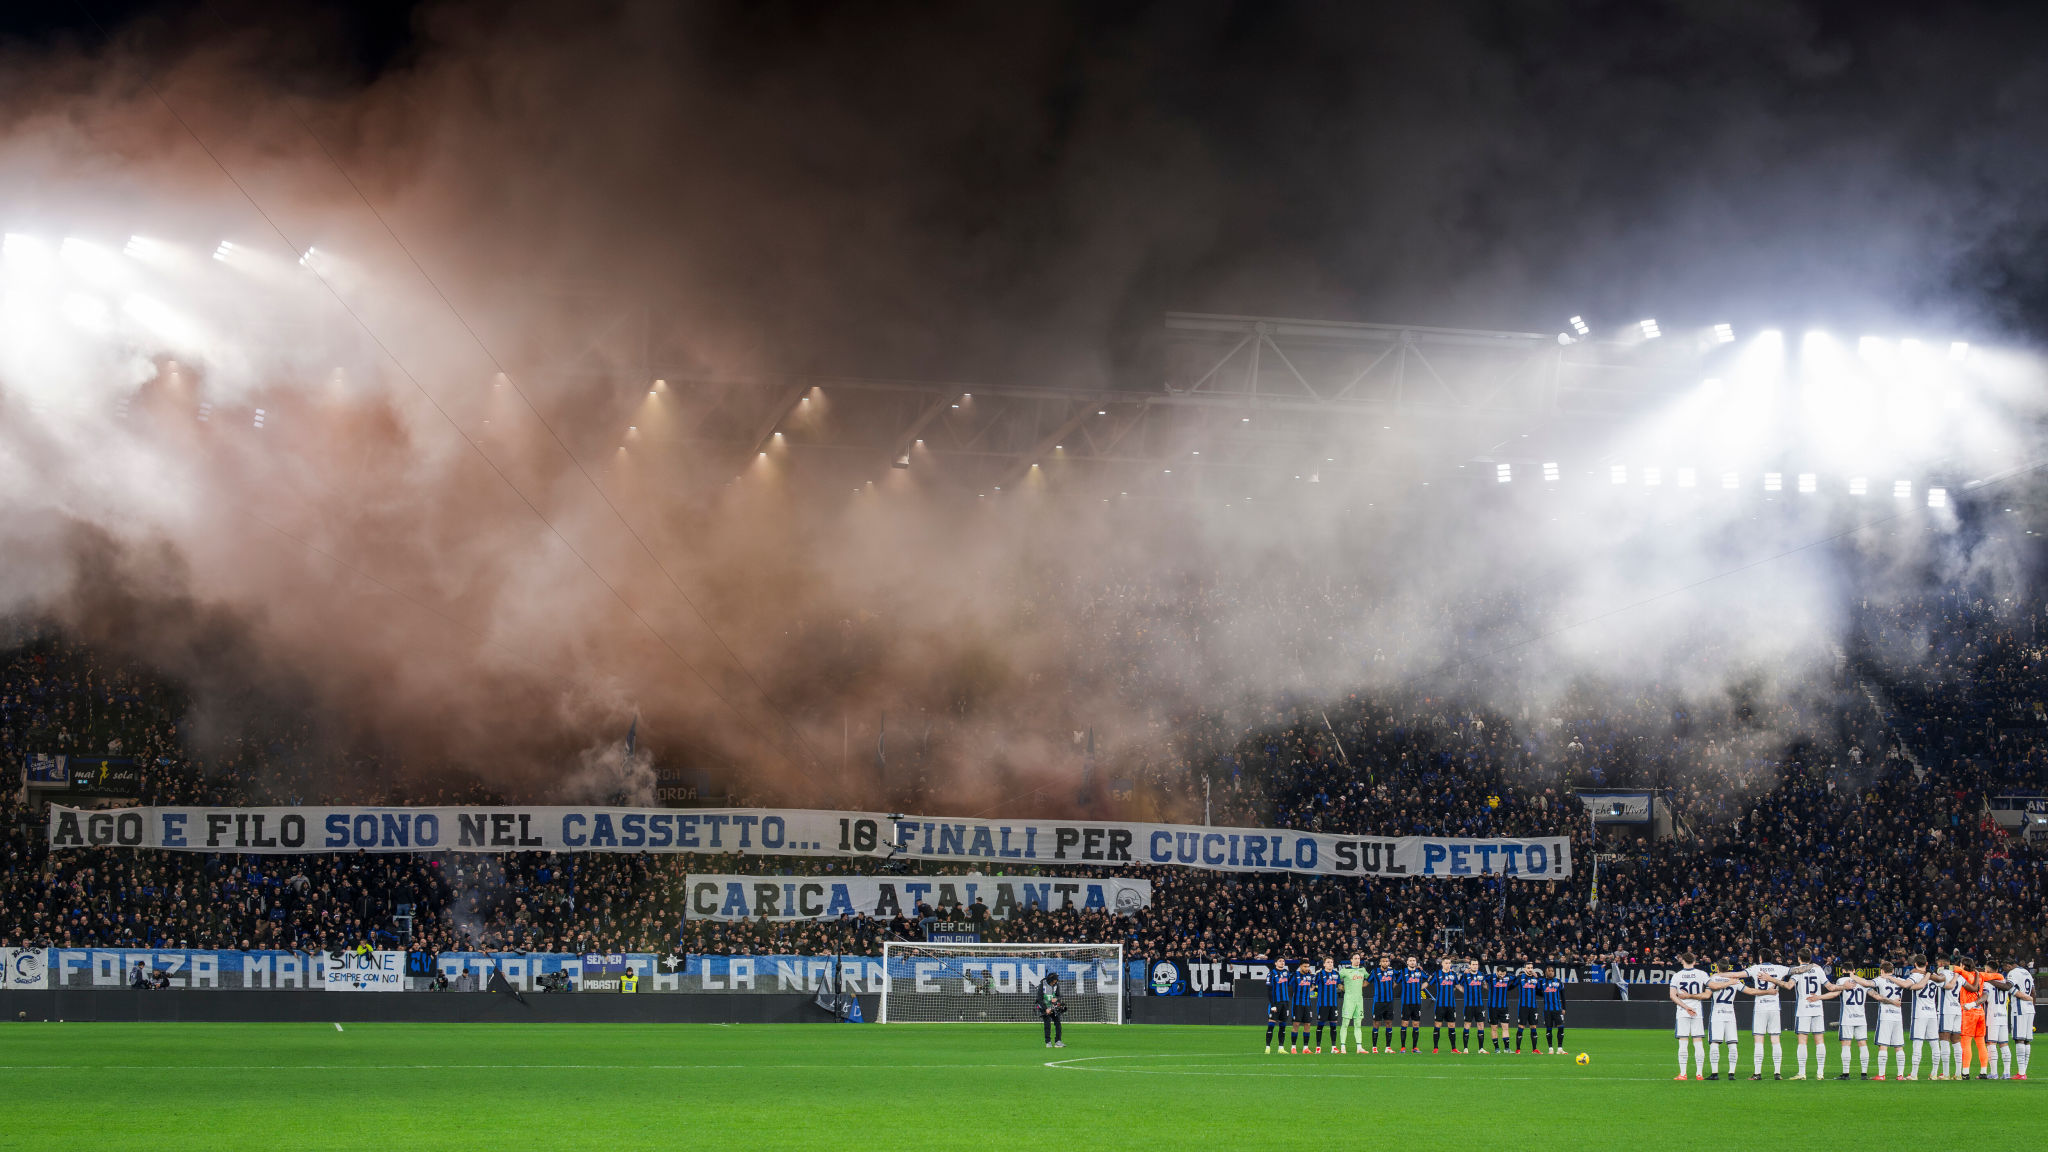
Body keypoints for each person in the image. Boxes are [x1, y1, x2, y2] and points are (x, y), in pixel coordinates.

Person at [1816, 967, 1871, 1079]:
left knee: (1846, 1044)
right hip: (1861, 1018)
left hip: (1847, 1018)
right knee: (1862, 1044)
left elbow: (1834, 994)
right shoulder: (1863, 981)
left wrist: (1818, 997)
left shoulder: (1841, 981)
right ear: (1854, 970)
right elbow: (1875, 995)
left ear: (1843, 971)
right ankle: (1864, 1074)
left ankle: (1846, 1073)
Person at [1744, 950, 1791, 1080]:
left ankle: (1757, 1073)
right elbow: (1795, 970)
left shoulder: (1755, 968)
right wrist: (1812, 965)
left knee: (1759, 1040)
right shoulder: (1779, 968)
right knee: (1775, 1040)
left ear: (1760, 958)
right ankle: (1777, 1073)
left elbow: (1739, 974)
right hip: (1775, 1008)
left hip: (1760, 1008)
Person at [1699, 959, 1746, 1080]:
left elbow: (1707, 995)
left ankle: (1715, 1073)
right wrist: (1767, 991)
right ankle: (1731, 1073)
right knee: (1732, 1044)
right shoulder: (1735, 980)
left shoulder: (1713, 978)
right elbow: (1750, 991)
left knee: (1714, 1043)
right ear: (1728, 968)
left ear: (1717, 968)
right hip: (1730, 1014)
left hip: (1717, 1014)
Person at [1788, 948, 1830, 1080]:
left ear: (1799, 959)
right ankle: (1820, 1073)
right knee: (1819, 1040)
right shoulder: (1818, 969)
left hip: (1804, 1008)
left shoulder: (1797, 971)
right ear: (1810, 958)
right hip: (1817, 1007)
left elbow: (1790, 985)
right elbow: (1829, 986)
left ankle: (1802, 1073)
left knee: (1802, 1040)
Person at [1670, 952, 1711, 1081]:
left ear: (1682, 961)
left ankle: (1683, 1074)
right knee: (1698, 1042)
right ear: (1695, 961)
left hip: (1683, 1011)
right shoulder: (1702, 974)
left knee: (1683, 1043)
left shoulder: (1677, 976)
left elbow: (1672, 996)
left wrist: (1686, 1007)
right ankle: (1699, 1074)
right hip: (1697, 1011)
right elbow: (1707, 994)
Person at [1867, 960, 1908, 1080]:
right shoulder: (1900, 980)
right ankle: (1900, 1075)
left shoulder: (1880, 979)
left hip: (1885, 1016)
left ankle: (1881, 1075)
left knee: (1883, 1045)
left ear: (1882, 971)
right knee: (1899, 1046)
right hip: (1898, 1016)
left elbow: (1868, 984)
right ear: (1893, 971)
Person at [1902, 954, 1941, 1080]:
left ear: (1915, 964)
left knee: (1918, 1043)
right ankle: (1934, 1073)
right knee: (1935, 1043)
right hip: (1932, 1013)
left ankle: (1914, 1074)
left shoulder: (1916, 976)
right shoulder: (1934, 978)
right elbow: (1944, 982)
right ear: (1927, 963)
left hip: (1920, 1014)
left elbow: (1907, 984)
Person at [1954, 955, 1987, 1080]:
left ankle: (1965, 1073)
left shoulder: (1965, 976)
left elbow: (1956, 969)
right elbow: (1999, 976)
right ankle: (1983, 1072)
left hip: (1968, 1012)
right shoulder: (1981, 975)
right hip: (1980, 1012)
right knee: (1981, 1043)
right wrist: (1979, 973)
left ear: (1963, 965)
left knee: (1966, 1043)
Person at [2001, 958, 2034, 1080]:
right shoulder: (2027, 972)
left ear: (2008, 965)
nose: (2004, 971)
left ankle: (2021, 1073)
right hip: (2030, 1009)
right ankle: (2023, 1072)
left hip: (2019, 1009)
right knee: (2026, 1040)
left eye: (2004, 968)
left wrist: (2001, 984)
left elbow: (2008, 986)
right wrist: (2031, 1004)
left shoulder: (2013, 973)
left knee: (2019, 1039)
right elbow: (2033, 992)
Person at [1337, 952, 1369, 1054]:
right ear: (1351, 960)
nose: (1357, 960)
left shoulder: (1362, 970)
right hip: (1348, 1000)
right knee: (1345, 1023)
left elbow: (1370, 978)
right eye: (1355, 958)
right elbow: (1336, 978)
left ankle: (1359, 1047)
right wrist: (1341, 987)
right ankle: (1342, 1047)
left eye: (1359, 958)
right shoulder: (1345, 970)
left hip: (1359, 1000)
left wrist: (1363, 985)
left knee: (1358, 1024)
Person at [1430, 958, 1462, 1054]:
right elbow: (1428, 983)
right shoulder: (1437, 974)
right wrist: (1418, 988)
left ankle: (1454, 1048)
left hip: (1451, 1005)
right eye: (1446, 963)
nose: (1448, 964)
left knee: (1452, 1025)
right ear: (1442, 964)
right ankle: (1435, 1048)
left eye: (1449, 963)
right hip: (1440, 1005)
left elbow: (1458, 986)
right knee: (1437, 1025)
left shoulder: (1453, 975)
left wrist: (1468, 992)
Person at [1263, 953, 1292, 1055]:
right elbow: (1269, 991)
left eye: (1283, 961)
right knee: (1271, 1025)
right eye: (1280, 961)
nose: (1282, 962)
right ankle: (1267, 1047)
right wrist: (1273, 1004)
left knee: (1283, 1026)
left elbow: (1292, 982)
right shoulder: (1271, 974)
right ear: (1275, 963)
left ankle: (1281, 1048)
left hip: (1285, 1003)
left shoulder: (1286, 973)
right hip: (1276, 1003)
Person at [1315, 957, 1344, 1053]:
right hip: (1323, 1004)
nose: (1330, 964)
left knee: (1333, 1025)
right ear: (1324, 964)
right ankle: (1318, 1047)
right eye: (1328, 962)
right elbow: (1313, 985)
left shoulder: (1336, 974)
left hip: (1333, 1004)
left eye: (1331, 962)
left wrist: (1345, 989)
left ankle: (1334, 1047)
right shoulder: (1319, 974)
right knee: (1320, 1025)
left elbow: (1339, 985)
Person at [1398, 956, 1426, 1053]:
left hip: (1417, 1003)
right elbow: (1395, 982)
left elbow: (1430, 979)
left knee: (1416, 1024)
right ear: (1407, 962)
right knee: (1404, 1024)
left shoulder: (1420, 972)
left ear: (1416, 962)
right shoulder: (1402, 972)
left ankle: (1415, 1047)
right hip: (1406, 1003)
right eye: (1410, 960)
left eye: (1414, 960)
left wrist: (1420, 987)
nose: (1412, 962)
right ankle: (1403, 1047)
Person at [1370, 957, 1397, 1053]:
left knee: (1389, 1023)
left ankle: (1388, 1047)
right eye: (1383, 961)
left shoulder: (1392, 972)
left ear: (1389, 963)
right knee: (1376, 1023)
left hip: (1389, 1002)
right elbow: (1367, 981)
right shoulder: (1374, 972)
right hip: (1378, 1002)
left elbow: (1395, 982)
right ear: (1380, 962)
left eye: (1387, 961)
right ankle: (1374, 1047)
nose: (1385, 963)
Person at [1462, 961, 1490, 1055]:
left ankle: (1481, 1048)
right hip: (1468, 1005)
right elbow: (1457, 984)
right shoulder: (1465, 975)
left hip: (1479, 1005)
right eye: (1473, 964)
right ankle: (1465, 1048)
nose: (1475, 966)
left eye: (1476, 964)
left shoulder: (1481, 974)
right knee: (1467, 1025)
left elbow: (1485, 985)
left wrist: (1488, 986)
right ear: (1470, 965)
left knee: (1481, 1025)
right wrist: (1465, 992)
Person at [1515, 962, 1543, 1054]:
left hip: (1533, 1006)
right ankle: (1518, 1049)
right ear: (1524, 969)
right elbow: (1510, 985)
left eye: (1531, 967)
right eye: (1528, 967)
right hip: (1523, 1007)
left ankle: (1534, 1049)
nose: (1530, 969)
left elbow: (1540, 990)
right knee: (1521, 1026)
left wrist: (1538, 978)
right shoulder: (1520, 978)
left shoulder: (1535, 979)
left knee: (1533, 1026)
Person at [1289, 961, 1317, 1054]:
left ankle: (1305, 1048)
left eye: (1308, 966)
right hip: (1297, 1004)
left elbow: (1312, 986)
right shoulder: (1294, 975)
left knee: (1307, 1025)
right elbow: (1287, 984)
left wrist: (1312, 988)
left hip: (1307, 1004)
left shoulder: (1310, 976)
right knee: (1296, 1024)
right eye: (1305, 966)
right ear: (1300, 966)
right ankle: (1293, 1047)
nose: (1307, 968)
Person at [1540, 965, 1567, 1055]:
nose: (1551, 972)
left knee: (1561, 1027)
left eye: (1552, 971)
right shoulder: (1541, 982)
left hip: (1557, 1009)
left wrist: (1564, 1008)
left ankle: (1560, 1048)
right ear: (1545, 972)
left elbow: (1563, 996)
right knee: (1549, 1029)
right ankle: (1550, 1048)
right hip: (1547, 1010)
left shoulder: (1558, 982)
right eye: (1549, 971)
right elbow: (1537, 991)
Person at [1488, 964, 1515, 1054]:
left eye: (1503, 974)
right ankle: (1497, 1048)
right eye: (1500, 974)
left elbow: (1516, 979)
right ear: (1497, 972)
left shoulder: (1508, 977)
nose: (1502, 976)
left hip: (1504, 1007)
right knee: (1494, 1028)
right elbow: (1480, 978)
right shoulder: (1490, 977)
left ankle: (1507, 1049)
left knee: (1505, 1027)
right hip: (1493, 1007)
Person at [1038, 972, 1066, 1049]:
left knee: (1058, 1023)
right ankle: (1048, 1042)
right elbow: (1039, 999)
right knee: (1047, 1024)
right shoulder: (1042, 985)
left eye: (1056, 980)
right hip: (1044, 1007)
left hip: (1053, 1007)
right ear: (1050, 979)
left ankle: (1058, 1041)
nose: (1055, 981)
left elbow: (1059, 995)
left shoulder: (1056, 985)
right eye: (1054, 980)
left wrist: (1056, 999)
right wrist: (1045, 1009)